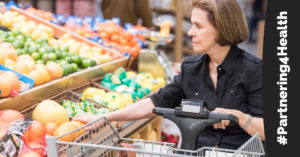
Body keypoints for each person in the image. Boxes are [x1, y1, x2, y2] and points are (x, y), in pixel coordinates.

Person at [75, 0, 265, 149]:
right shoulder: (191, 69)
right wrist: (107, 118)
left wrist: (239, 117)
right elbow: (155, 102)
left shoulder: (254, 71)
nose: (191, 32)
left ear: (222, 28)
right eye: (191, 25)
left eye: (199, 26)